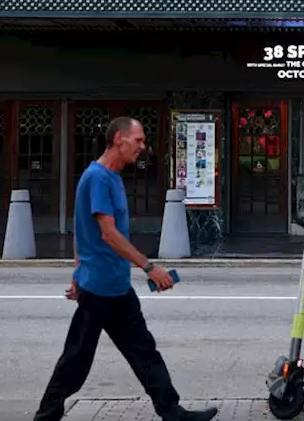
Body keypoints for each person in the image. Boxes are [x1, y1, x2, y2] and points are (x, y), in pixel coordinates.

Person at [34, 117, 217, 421]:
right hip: (98, 288)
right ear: (119, 139)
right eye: (138, 140)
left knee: (144, 352)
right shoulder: (98, 178)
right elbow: (107, 233)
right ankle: (45, 417)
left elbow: (83, 231)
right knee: (75, 362)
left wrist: (77, 271)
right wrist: (149, 267)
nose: (143, 147)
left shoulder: (113, 177)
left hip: (115, 285)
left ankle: (172, 412)